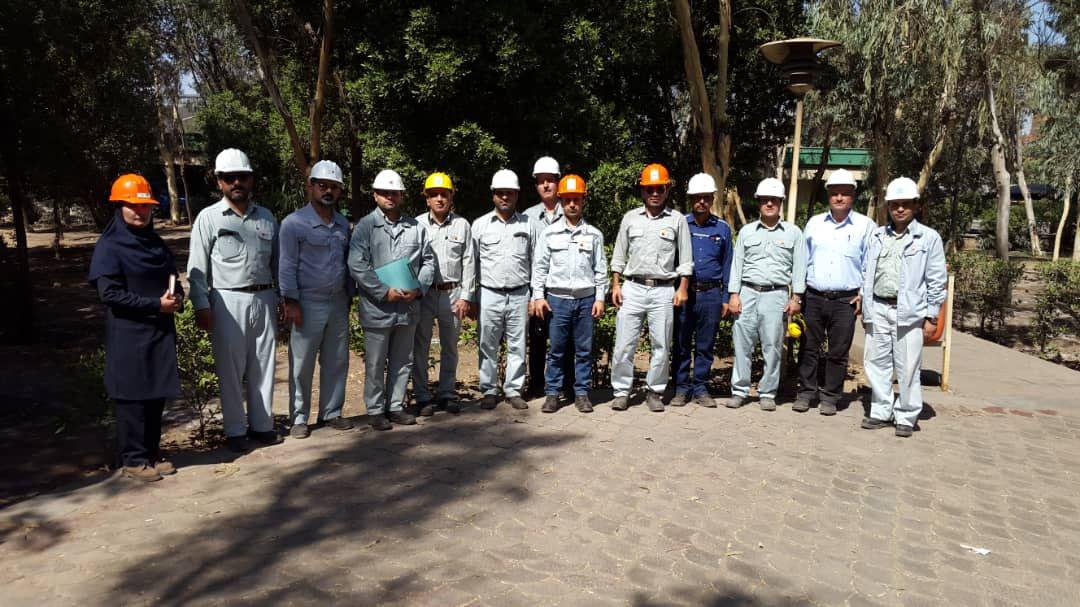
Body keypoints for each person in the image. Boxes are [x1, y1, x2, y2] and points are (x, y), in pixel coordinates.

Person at [89, 174, 183, 482]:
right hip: (129, 333)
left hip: (159, 332)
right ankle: (133, 459)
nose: (141, 212)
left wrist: (177, 297)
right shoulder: (110, 246)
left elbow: (173, 278)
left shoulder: (155, 243)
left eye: (145, 207)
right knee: (132, 397)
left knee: (156, 394)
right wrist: (156, 305)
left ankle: (152, 453)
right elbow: (109, 294)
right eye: (133, 206)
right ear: (119, 207)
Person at [187, 148, 281, 452]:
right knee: (230, 369)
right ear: (219, 182)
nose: (236, 182)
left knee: (264, 364)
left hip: (264, 297)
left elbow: (277, 262)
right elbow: (197, 267)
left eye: (242, 176)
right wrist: (201, 305)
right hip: (227, 300)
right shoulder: (209, 218)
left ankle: (262, 426)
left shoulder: (266, 217)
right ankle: (235, 431)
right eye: (229, 178)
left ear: (251, 179)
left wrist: (282, 297)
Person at [349, 169, 436, 431]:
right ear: (375, 196)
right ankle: (376, 410)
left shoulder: (416, 228)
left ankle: (395, 406)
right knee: (376, 362)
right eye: (384, 193)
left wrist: (418, 288)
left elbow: (428, 261)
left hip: (408, 306)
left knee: (403, 359)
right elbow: (356, 263)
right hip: (378, 306)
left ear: (402, 196)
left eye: (394, 193)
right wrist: (382, 291)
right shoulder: (366, 226)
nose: (390, 197)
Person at [860, 177, 947, 438]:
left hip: (909, 312)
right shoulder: (877, 235)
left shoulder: (928, 238)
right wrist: (865, 304)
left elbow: (936, 280)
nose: (899, 209)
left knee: (908, 366)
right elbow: (866, 271)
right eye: (894, 204)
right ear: (888, 206)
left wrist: (932, 316)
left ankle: (907, 415)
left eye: (905, 204)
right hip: (878, 307)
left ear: (916, 206)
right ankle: (881, 411)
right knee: (876, 362)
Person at [608, 163, 693, 412]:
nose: (654, 193)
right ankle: (621, 391)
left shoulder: (677, 220)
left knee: (661, 345)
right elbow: (619, 255)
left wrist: (683, 288)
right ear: (642, 191)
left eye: (659, 189)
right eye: (649, 189)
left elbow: (685, 259)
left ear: (667, 190)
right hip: (632, 288)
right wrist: (616, 284)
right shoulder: (630, 218)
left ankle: (655, 391)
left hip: (663, 290)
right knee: (624, 344)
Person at [279, 160, 354, 439]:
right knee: (302, 363)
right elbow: (286, 265)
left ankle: (331, 412)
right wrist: (290, 301)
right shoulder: (293, 224)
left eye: (334, 187)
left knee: (337, 360)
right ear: (310, 187)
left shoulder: (342, 224)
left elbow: (347, 263)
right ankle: (299, 417)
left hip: (337, 301)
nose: (328, 191)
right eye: (323, 185)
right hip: (306, 302)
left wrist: (349, 296)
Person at [794, 168, 875, 416]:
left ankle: (830, 396)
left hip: (845, 300)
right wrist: (797, 294)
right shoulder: (815, 224)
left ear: (853, 195)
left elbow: (870, 264)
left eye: (845, 193)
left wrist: (864, 294)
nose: (839, 198)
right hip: (814, 297)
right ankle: (806, 392)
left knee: (838, 351)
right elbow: (803, 260)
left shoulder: (865, 226)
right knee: (808, 347)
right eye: (835, 193)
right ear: (828, 195)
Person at [726, 177, 806, 411]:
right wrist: (734, 294)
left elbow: (799, 267)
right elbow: (737, 264)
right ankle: (739, 391)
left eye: (774, 200)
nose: (769, 204)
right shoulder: (746, 232)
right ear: (759, 202)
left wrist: (796, 297)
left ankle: (768, 393)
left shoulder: (793, 233)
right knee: (742, 344)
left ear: (781, 202)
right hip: (747, 293)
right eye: (764, 200)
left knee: (772, 346)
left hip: (776, 295)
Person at [530, 174, 608, 413]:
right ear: (561, 201)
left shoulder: (594, 234)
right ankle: (553, 393)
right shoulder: (549, 234)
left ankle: (582, 394)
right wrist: (538, 296)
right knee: (556, 350)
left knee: (584, 351)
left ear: (583, 200)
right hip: (557, 301)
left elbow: (600, 269)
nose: (572, 204)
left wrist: (600, 298)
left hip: (585, 300)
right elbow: (539, 268)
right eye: (567, 200)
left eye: (576, 199)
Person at [412, 172, 476, 417]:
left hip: (453, 294)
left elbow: (469, 262)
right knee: (421, 346)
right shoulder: (416, 225)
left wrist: (466, 296)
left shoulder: (462, 225)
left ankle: (447, 394)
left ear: (451, 197)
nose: (439, 198)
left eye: (444, 194)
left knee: (450, 346)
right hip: (425, 294)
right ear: (426, 198)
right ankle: (422, 396)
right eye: (434, 194)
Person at [473, 169, 536, 410]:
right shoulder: (480, 225)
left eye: (510, 193)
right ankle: (489, 390)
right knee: (487, 345)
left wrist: (535, 295)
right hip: (489, 293)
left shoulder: (529, 224)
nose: (505, 197)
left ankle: (514, 390)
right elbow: (472, 264)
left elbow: (536, 261)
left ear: (517, 194)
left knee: (518, 345)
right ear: (493, 195)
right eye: (500, 193)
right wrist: (471, 296)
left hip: (520, 293)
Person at [670, 173, 733, 409]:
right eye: (698, 197)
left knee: (705, 345)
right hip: (684, 293)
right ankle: (681, 388)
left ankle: (701, 388)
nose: (702, 201)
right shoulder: (680, 224)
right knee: (681, 343)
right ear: (691, 199)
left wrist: (726, 297)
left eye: (706, 197)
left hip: (711, 295)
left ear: (712, 199)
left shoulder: (722, 228)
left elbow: (728, 265)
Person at [522, 156, 568, 398]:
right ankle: (537, 384)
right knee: (537, 339)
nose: (546, 185)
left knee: (564, 340)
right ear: (536, 185)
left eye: (550, 180)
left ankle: (565, 385)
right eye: (541, 181)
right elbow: (525, 257)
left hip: (563, 287)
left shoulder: (571, 209)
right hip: (537, 288)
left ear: (558, 182)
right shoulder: (528, 217)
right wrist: (532, 295)